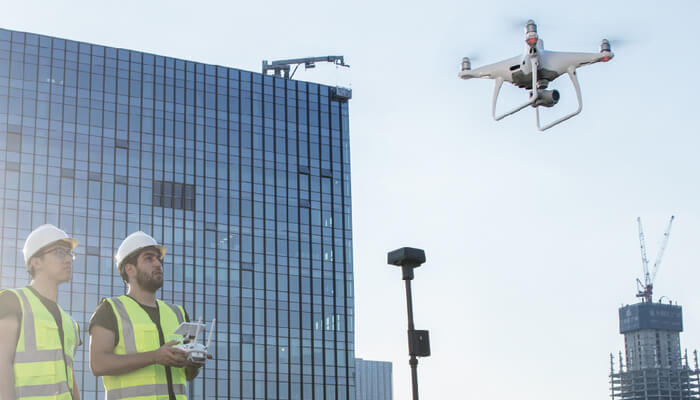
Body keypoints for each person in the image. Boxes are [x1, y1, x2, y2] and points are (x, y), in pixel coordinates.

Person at [89, 231, 204, 400]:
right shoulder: (110, 309)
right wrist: (154, 357)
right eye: (149, 258)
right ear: (130, 269)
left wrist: (193, 362)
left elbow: (188, 375)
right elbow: (98, 364)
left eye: (159, 259)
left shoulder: (178, 313)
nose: (158, 264)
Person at [0, 224, 82, 400]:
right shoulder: (13, 301)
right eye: (60, 252)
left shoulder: (70, 322)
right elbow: (2, 363)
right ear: (36, 261)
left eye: (69, 254)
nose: (68, 259)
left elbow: (70, 378)